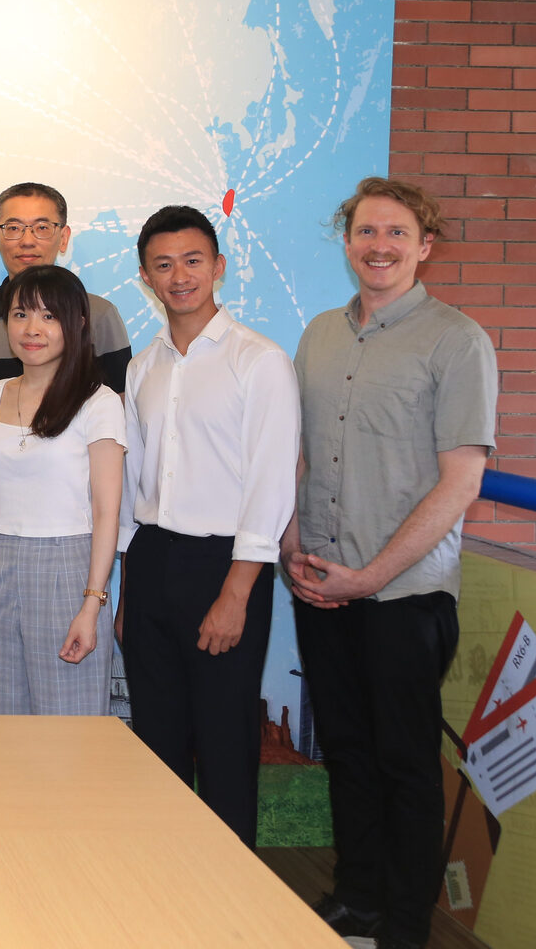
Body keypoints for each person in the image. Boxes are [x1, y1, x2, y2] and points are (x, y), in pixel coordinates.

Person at [284, 178, 496, 949]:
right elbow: (301, 456)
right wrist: (288, 546)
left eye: (397, 234)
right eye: (367, 232)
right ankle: (358, 899)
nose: (380, 246)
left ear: (424, 245)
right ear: (347, 242)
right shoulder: (319, 335)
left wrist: (370, 577)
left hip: (403, 595)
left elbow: (462, 479)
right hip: (319, 584)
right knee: (345, 753)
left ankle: (407, 925)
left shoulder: (456, 340)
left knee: (406, 767)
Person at [116, 205, 299, 848]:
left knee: (224, 742)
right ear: (146, 276)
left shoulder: (261, 361)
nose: (180, 276)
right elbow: (135, 485)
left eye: (193, 261)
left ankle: (230, 907)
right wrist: (127, 588)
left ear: (218, 267)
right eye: (163, 265)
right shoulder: (143, 368)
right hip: (153, 558)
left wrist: (236, 591)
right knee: (156, 739)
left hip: (226, 565)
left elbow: (272, 483)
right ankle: (165, 887)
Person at [0, 265, 124, 715]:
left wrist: (92, 604)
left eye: (49, 317)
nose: (32, 329)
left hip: (70, 571)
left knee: (70, 730)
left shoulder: (98, 402)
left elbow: (107, 510)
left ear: (77, 323)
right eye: (20, 314)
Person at [0, 181, 132, 397]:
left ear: (63, 238)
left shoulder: (99, 313)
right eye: (13, 228)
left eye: (42, 228)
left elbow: (120, 403)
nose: (27, 241)